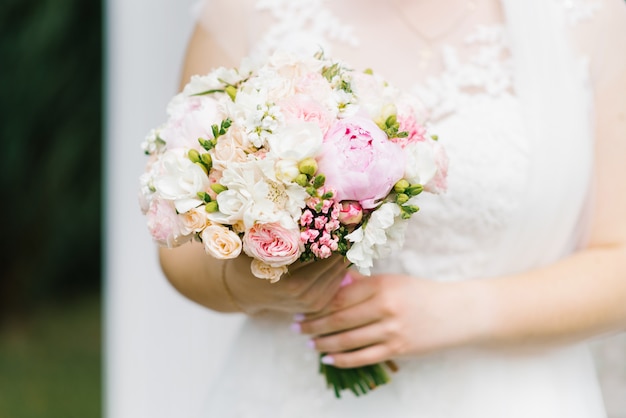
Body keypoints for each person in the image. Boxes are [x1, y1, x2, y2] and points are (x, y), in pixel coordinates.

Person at [157, 0, 626, 416]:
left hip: (510, 394)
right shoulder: (246, 11)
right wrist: (256, 283)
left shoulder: (588, 17)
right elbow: (177, 242)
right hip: (290, 390)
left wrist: (461, 310)